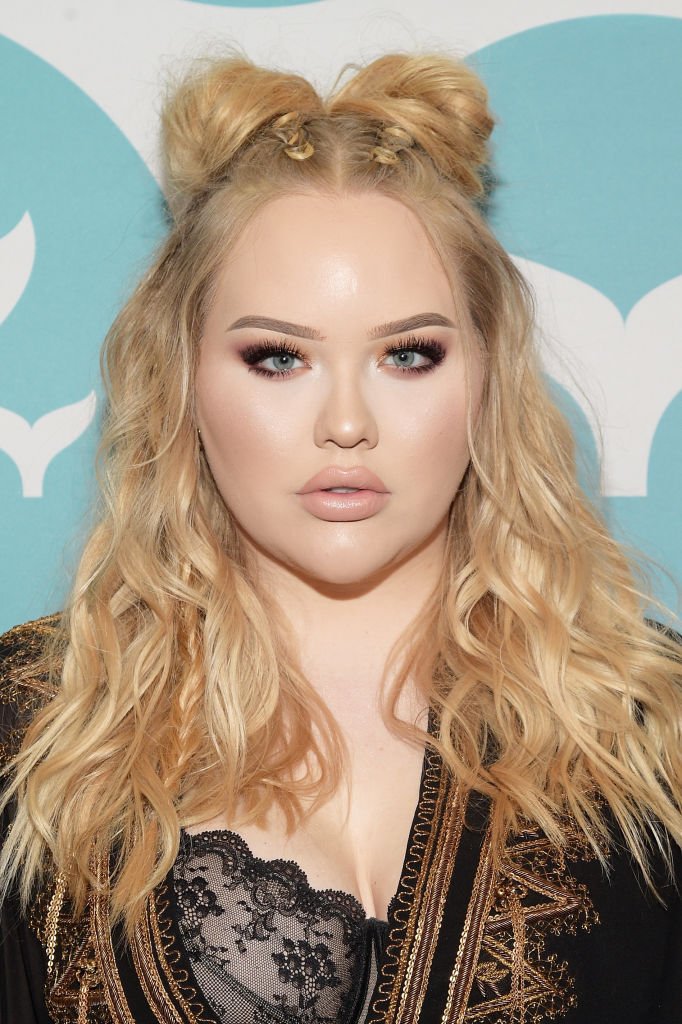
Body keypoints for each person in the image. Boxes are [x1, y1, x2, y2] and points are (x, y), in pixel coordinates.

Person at [1, 50, 681, 1024]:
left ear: (486, 374)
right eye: (277, 357)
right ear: (181, 375)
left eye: (409, 354)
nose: (347, 422)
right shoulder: (33, 733)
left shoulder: (653, 736)